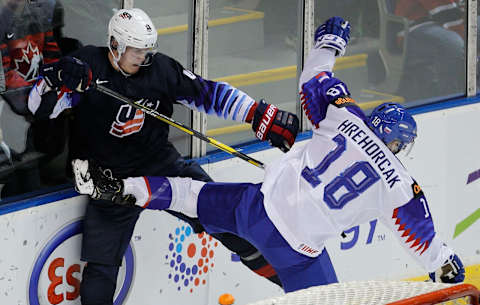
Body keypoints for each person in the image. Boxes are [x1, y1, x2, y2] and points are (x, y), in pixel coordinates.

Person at [72, 17, 465, 293]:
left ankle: (125, 188)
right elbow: (419, 235)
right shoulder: (400, 182)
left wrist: (330, 44)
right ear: (397, 143)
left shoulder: (345, 113)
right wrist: (442, 263)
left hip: (258, 207)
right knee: (328, 297)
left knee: (192, 194)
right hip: (298, 251)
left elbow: (314, 78)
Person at [28, 7, 299, 305]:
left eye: (147, 49)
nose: (143, 56)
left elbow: (209, 94)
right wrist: (53, 82)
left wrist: (256, 113)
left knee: (225, 219)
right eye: (136, 50)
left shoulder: (160, 69)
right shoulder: (88, 68)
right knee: (101, 269)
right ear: (115, 45)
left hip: (160, 165)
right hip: (110, 178)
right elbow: (39, 109)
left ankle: (298, 283)